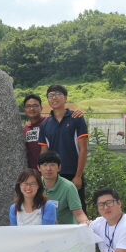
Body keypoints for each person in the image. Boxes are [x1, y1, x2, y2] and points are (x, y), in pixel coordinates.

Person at [38, 84, 88, 212]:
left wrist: (78, 176)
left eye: (57, 94)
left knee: (77, 209)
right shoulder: (45, 124)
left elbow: (83, 149)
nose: (54, 98)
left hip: (72, 173)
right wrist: (41, 177)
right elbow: (44, 153)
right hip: (53, 175)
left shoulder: (77, 119)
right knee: (53, 210)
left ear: (65, 97)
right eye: (50, 96)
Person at [23, 93, 83, 170]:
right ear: (24, 109)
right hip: (33, 171)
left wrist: (75, 113)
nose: (32, 109)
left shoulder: (49, 123)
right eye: (28, 106)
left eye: (35, 106)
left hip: (51, 170)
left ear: (41, 108)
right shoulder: (25, 128)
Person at [37, 151, 89, 225]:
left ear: (59, 167)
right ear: (39, 168)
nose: (48, 168)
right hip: (42, 231)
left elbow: (79, 214)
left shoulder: (69, 187)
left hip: (65, 232)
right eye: (45, 165)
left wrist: (86, 223)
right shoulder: (35, 185)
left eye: (52, 165)